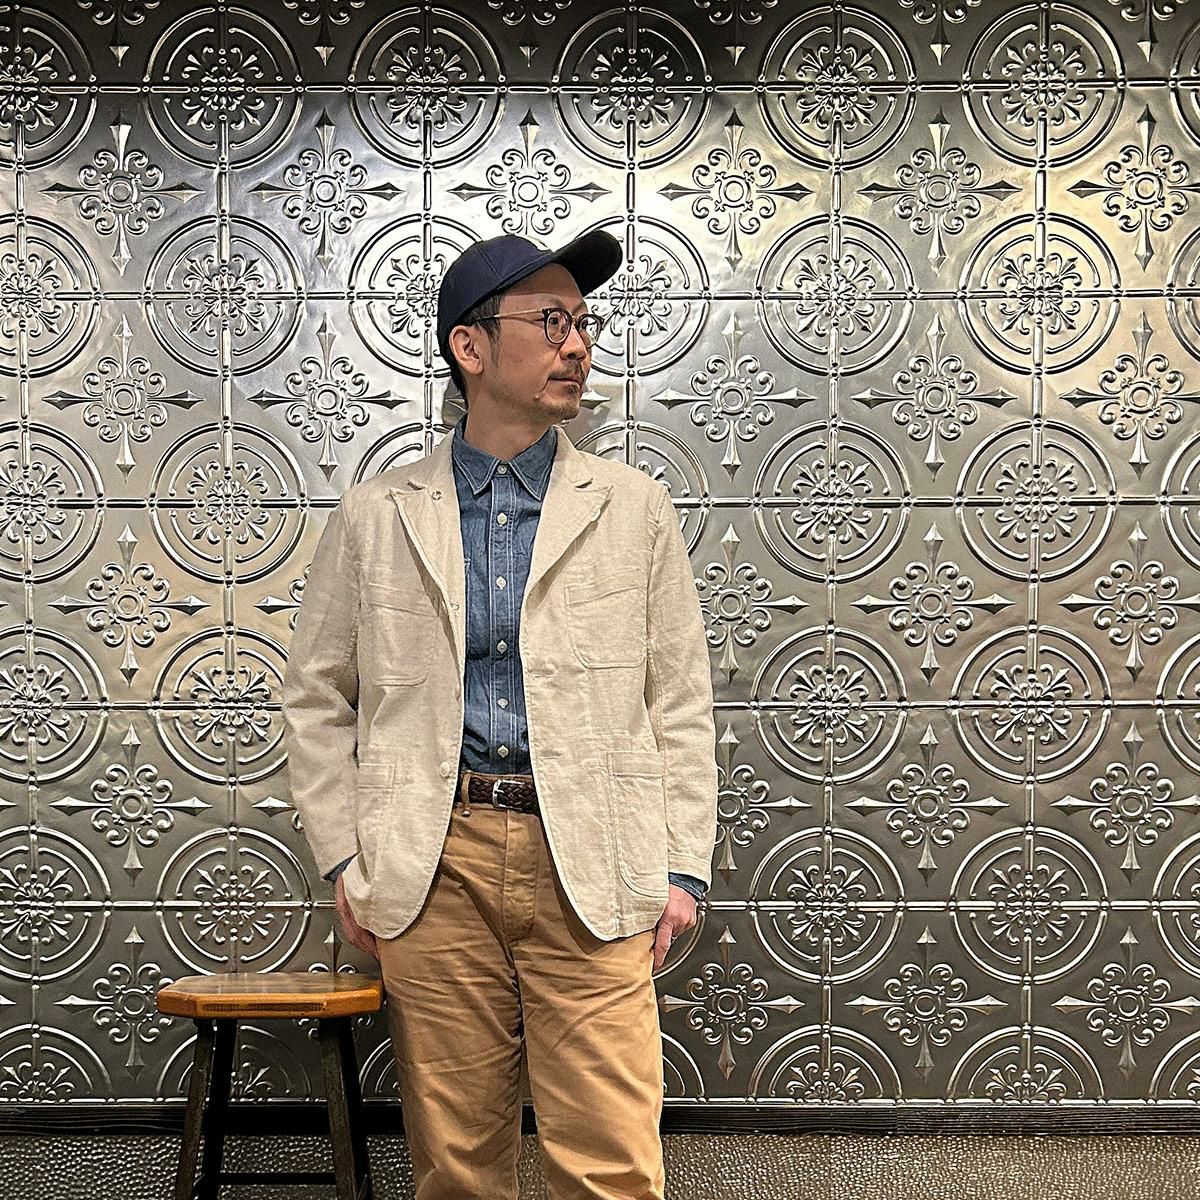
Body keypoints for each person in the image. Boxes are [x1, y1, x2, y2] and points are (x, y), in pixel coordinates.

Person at [281, 228, 718, 1200]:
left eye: (584, 323)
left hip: (595, 854)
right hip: (435, 859)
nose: (579, 346)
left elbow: (680, 699)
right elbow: (315, 695)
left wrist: (682, 866)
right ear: (469, 347)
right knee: (457, 1171)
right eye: (551, 322)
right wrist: (348, 857)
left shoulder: (633, 506)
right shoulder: (379, 513)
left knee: (611, 1165)